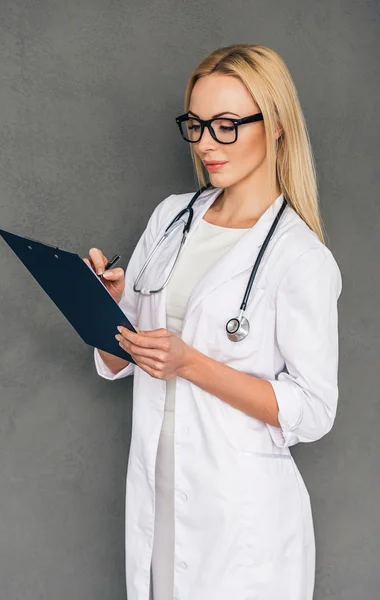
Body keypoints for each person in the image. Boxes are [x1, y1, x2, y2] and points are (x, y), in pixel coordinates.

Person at [84, 43, 342, 600]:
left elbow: (315, 410)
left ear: (274, 125)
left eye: (227, 126)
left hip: (242, 519)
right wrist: (101, 306)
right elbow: (119, 355)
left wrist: (193, 364)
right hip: (158, 493)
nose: (206, 144)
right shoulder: (172, 217)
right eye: (197, 125)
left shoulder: (301, 257)